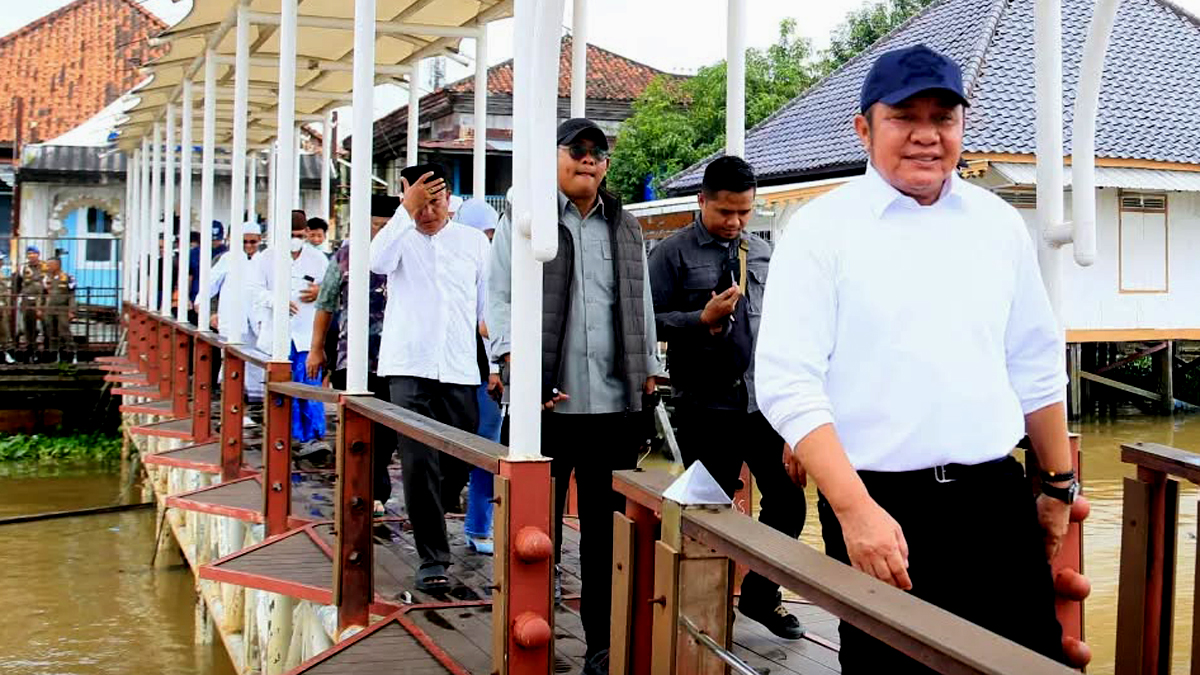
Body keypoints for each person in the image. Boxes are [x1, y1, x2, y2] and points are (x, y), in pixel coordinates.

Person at [756, 45, 1077, 673]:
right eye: (904, 117)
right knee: (892, 666)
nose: (927, 135)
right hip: (881, 502)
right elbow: (787, 382)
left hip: (995, 496)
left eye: (943, 118)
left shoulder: (998, 224)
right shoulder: (821, 231)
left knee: (1028, 659)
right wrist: (855, 512)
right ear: (864, 128)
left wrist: (1059, 486)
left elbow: (1035, 363)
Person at [488, 118, 663, 674]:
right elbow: (498, 295)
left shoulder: (626, 225)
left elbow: (640, 302)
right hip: (545, 406)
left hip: (613, 407)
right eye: (577, 150)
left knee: (605, 536)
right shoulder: (526, 219)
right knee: (531, 529)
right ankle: (525, 635)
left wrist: (649, 368)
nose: (589, 159)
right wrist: (515, 365)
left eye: (598, 152)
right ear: (555, 157)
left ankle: (601, 647)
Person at [647, 155, 807, 639]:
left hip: (759, 403)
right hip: (705, 403)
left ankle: (760, 594)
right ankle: (707, 612)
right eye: (725, 212)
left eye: (744, 212)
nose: (736, 222)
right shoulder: (671, 254)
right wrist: (700, 319)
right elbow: (648, 322)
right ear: (702, 201)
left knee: (788, 502)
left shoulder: (762, 253)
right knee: (707, 511)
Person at [369, 163, 490, 593]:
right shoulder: (398, 239)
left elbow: (486, 307)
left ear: (449, 199)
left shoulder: (474, 242)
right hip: (408, 366)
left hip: (459, 365)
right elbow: (376, 262)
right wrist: (406, 209)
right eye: (420, 202)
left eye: (435, 201)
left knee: (460, 454)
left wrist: (496, 365)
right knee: (418, 462)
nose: (428, 211)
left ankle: (434, 507)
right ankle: (433, 558)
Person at [308, 194, 395, 513]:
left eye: (387, 226)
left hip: (395, 359)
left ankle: (374, 490)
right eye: (376, 225)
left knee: (388, 432)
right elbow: (325, 304)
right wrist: (316, 349)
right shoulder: (346, 255)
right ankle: (362, 491)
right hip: (353, 356)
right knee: (358, 426)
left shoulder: (405, 251)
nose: (381, 232)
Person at [250, 210, 330, 457]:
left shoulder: (318, 259)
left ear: (306, 233)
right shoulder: (266, 258)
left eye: (299, 235)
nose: (296, 239)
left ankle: (315, 436)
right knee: (283, 385)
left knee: (310, 383)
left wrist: (320, 291)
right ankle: (288, 436)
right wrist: (277, 300)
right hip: (279, 335)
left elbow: (332, 288)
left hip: (308, 334)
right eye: (291, 235)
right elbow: (255, 291)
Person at [456, 197, 504, 555]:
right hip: (456, 371)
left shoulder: (495, 265)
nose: (485, 242)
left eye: (490, 235)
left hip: (485, 372)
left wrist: (495, 368)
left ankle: (479, 525)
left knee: (489, 446)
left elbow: (489, 322)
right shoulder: (453, 263)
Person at [189, 220, 228, 322]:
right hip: (195, 297)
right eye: (211, 239)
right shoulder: (194, 253)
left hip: (217, 303)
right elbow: (189, 276)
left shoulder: (226, 254)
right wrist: (186, 297)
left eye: (217, 239)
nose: (214, 242)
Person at [42, 258, 76, 363]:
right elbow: (42, 294)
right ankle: (53, 354)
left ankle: (70, 353)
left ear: (57, 265)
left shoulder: (68, 278)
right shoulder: (46, 278)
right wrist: (41, 308)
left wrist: (71, 310)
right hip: (49, 309)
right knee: (51, 332)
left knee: (64, 331)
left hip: (62, 308)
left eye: (50, 265)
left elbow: (72, 295)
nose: (48, 267)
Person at [16, 246, 45, 362]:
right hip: (27, 300)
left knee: (43, 326)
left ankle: (46, 352)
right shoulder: (23, 267)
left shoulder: (45, 266)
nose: (31, 256)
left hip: (42, 300)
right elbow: (17, 284)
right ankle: (30, 351)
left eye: (34, 253)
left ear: (38, 254)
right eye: (29, 254)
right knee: (28, 327)